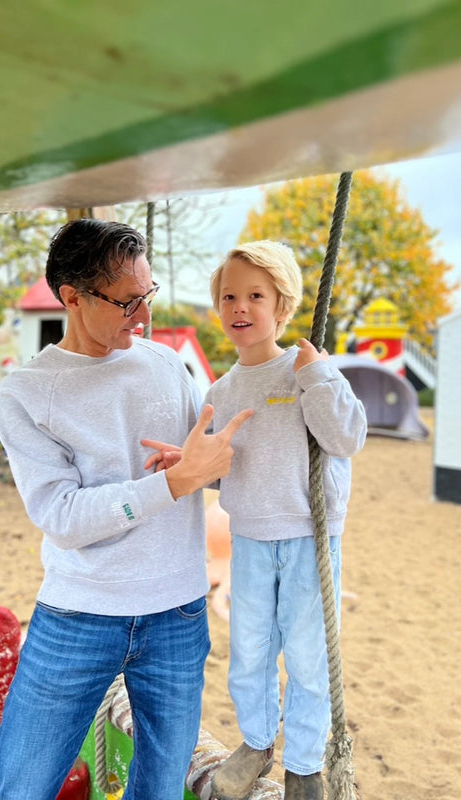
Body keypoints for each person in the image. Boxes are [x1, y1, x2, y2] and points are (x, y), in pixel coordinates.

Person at [0, 218, 253, 800]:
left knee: (160, 790)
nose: (143, 313)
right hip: (78, 614)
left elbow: (204, 464)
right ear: (72, 298)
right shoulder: (25, 393)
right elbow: (62, 517)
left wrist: (205, 463)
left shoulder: (165, 364)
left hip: (179, 613)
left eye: (147, 294)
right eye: (128, 301)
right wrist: (174, 484)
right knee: (22, 785)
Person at [144, 241, 366, 800]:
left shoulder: (308, 371)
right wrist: (188, 462)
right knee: (249, 649)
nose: (239, 306)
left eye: (254, 295)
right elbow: (225, 470)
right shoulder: (221, 390)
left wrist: (318, 376)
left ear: (283, 306)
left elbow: (346, 438)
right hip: (249, 538)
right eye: (228, 296)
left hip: (308, 538)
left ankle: (306, 765)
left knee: (310, 655)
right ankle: (258, 741)